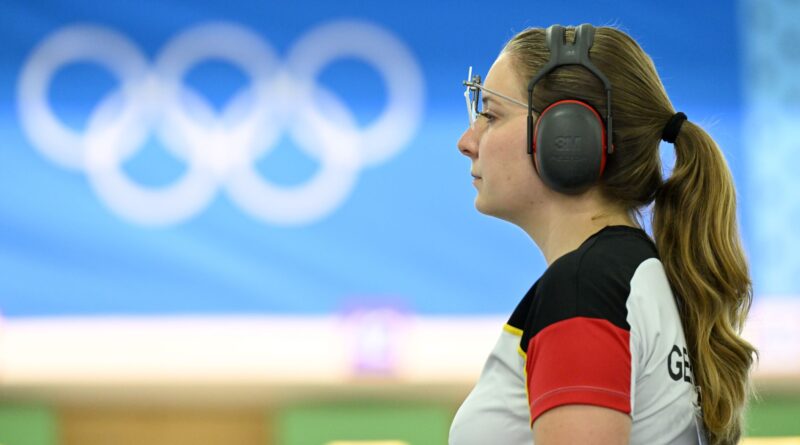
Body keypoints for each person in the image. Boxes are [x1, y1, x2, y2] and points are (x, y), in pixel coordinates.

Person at [449, 24, 756, 445]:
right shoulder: (627, 275)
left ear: (567, 136)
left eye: (491, 114)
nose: (467, 141)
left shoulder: (583, 288)